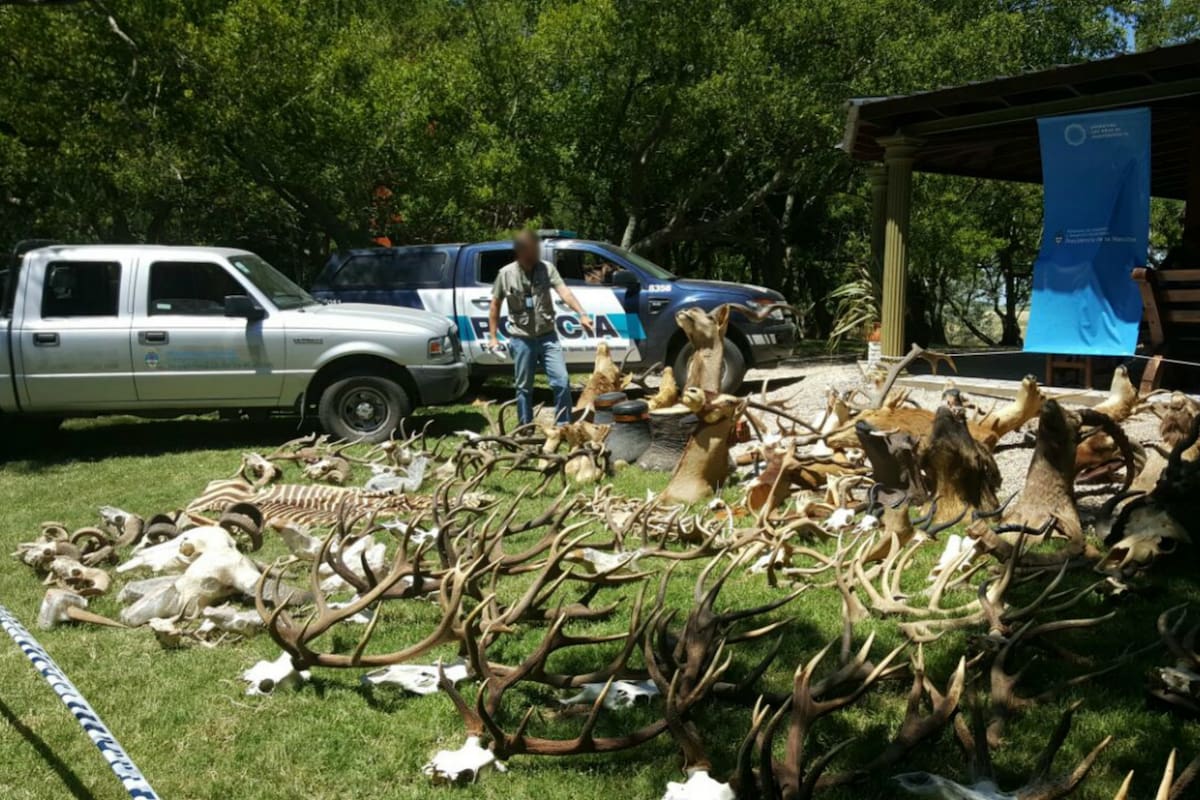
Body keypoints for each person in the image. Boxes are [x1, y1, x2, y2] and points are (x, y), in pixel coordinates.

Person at [488, 230, 594, 426]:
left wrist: (582, 313)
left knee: (561, 381)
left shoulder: (547, 269)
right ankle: (525, 426)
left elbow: (565, 292)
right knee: (523, 387)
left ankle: (563, 426)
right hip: (521, 338)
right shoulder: (505, 274)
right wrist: (493, 337)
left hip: (548, 336)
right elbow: (495, 305)